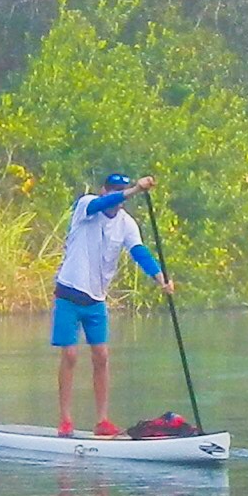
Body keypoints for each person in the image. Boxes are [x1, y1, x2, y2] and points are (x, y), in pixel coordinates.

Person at [50, 167, 164, 435]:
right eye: (113, 191)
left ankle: (102, 420)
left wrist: (160, 277)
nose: (116, 198)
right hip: (68, 293)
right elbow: (104, 203)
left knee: (101, 356)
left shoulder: (126, 224)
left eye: (120, 193)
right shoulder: (87, 205)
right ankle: (65, 420)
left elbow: (139, 251)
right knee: (70, 355)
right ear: (105, 190)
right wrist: (135, 188)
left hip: (96, 300)